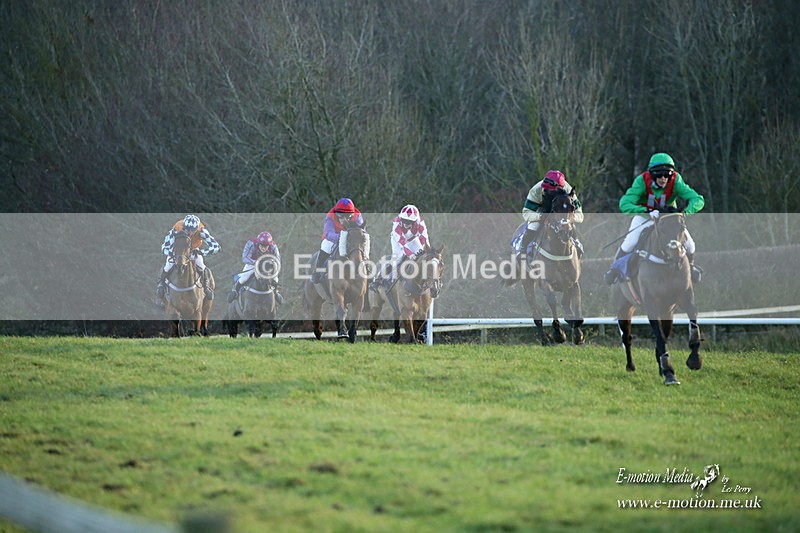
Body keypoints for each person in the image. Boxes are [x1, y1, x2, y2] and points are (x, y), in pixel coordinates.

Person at [604, 152, 704, 285]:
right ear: (651, 174)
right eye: (658, 175)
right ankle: (614, 270)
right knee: (630, 242)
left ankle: (690, 268)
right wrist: (645, 211)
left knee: (690, 245)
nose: (663, 178)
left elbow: (698, 199)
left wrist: (684, 213)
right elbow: (624, 203)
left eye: (667, 175)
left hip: (669, 218)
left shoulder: (676, 180)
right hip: (646, 216)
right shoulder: (642, 181)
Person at [517, 169, 584, 259]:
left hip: (560, 212)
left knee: (569, 225)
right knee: (533, 225)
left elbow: (580, 215)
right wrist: (540, 216)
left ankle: (577, 243)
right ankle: (522, 249)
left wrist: (569, 218)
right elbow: (526, 213)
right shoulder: (536, 190)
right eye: (545, 188)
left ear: (560, 187)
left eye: (550, 189)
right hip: (543, 209)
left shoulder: (568, 190)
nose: (546, 190)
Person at [155, 214, 220, 305]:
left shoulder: (202, 231)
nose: (188, 232)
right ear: (184, 226)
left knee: (201, 265)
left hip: (193, 251)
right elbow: (164, 246)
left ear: (196, 229)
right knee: (168, 265)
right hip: (177, 251)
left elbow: (216, 247)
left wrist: (202, 252)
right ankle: (161, 286)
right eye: (186, 229)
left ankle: (206, 288)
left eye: (191, 231)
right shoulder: (177, 228)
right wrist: (171, 253)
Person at [370, 204, 431, 290]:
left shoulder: (420, 223)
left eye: (409, 222)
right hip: (398, 241)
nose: (405, 224)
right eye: (404, 220)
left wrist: (428, 252)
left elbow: (424, 239)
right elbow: (402, 243)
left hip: (413, 240)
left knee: (423, 256)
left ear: (415, 221)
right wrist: (410, 254)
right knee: (398, 258)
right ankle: (378, 280)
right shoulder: (397, 222)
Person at [310, 198, 366, 284]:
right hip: (334, 238)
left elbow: (360, 231)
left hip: (351, 239)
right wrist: (341, 238)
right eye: (341, 217)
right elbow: (328, 233)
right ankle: (317, 271)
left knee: (362, 247)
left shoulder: (357, 215)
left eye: (348, 217)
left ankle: (367, 270)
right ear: (336, 214)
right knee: (326, 246)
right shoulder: (330, 216)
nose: (345, 219)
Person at [227, 231, 283, 305]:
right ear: (258, 243)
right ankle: (235, 290)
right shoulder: (251, 244)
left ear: (269, 245)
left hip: (267, 265)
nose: (263, 248)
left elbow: (277, 260)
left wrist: (271, 263)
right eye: (262, 245)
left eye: (266, 246)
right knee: (244, 278)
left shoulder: (273, 246)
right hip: (253, 263)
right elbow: (245, 257)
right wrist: (255, 262)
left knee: (275, 279)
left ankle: (276, 292)